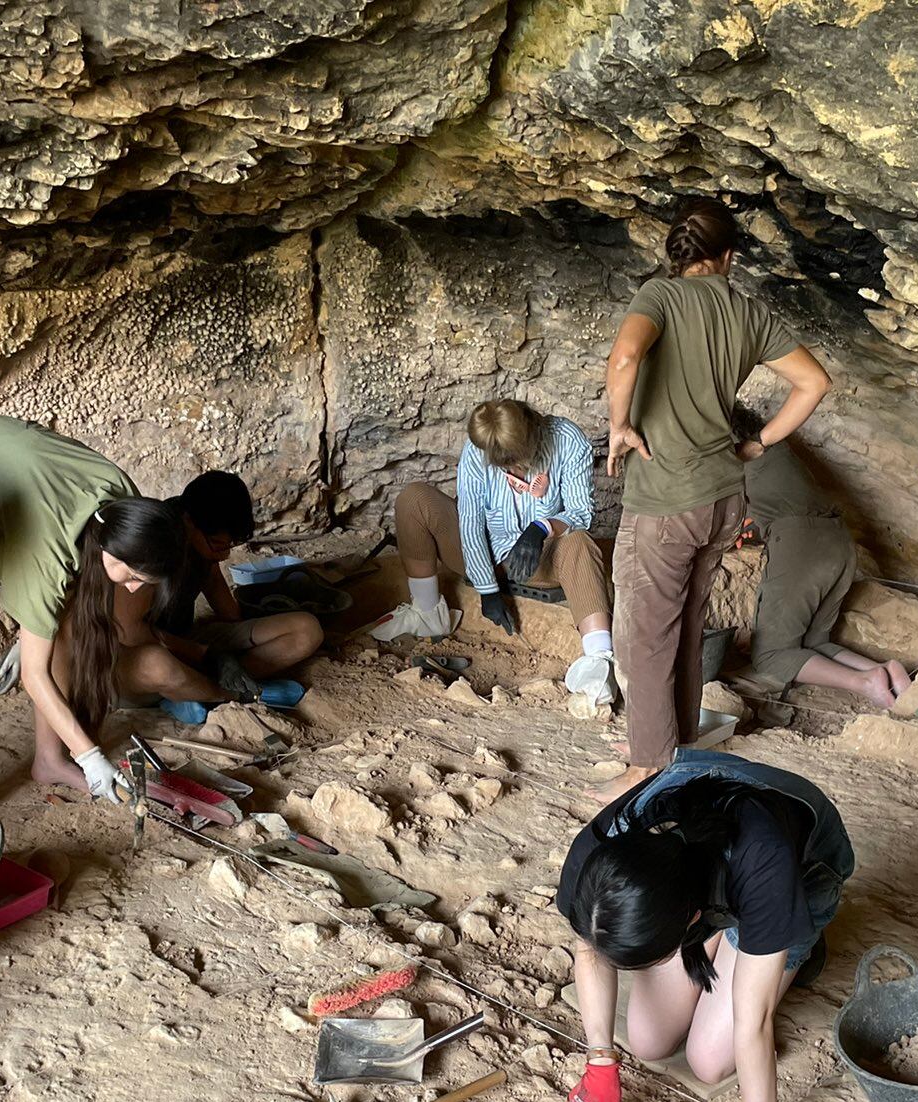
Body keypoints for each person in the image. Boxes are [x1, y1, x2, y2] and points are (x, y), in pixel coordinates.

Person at [601, 198, 833, 800]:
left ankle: (648, 768)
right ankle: (677, 745)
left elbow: (626, 355)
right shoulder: (748, 312)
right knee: (684, 626)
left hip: (664, 498)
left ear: (678, 255)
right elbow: (814, 383)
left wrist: (620, 425)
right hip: (724, 497)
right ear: (728, 257)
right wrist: (759, 444)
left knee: (647, 634)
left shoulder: (659, 296)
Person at [557, 750, 853, 1102]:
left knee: (709, 1061)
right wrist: (600, 1058)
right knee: (648, 1040)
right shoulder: (601, 852)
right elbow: (589, 946)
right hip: (701, 880)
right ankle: (740, 943)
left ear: (691, 921)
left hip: (802, 875)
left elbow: (754, 1020)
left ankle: (792, 938)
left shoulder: (764, 862)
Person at [0, 415, 191, 810]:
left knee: (58, 626)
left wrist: (32, 632)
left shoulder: (126, 504)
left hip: (4, 465)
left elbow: (69, 600)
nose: (132, 589)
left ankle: (49, 759)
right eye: (132, 576)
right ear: (112, 549)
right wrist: (91, 758)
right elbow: (34, 676)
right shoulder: (49, 556)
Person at [376, 400, 617, 703]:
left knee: (580, 542)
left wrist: (541, 528)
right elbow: (470, 522)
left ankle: (598, 661)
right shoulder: (479, 449)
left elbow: (581, 513)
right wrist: (487, 587)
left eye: (516, 464)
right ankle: (427, 614)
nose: (512, 472)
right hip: (487, 553)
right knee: (414, 499)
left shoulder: (567, 440)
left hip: (538, 559)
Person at [735, 403, 911, 710]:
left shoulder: (737, 458)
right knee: (814, 642)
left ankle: (866, 683)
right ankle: (885, 671)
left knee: (771, 655)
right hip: (838, 540)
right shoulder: (777, 450)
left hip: (801, 544)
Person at [150, 470, 320, 711]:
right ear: (188, 522)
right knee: (159, 667)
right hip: (152, 649)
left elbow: (223, 603)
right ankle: (208, 692)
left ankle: (218, 689)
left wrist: (253, 622)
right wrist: (211, 657)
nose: (225, 555)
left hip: (188, 640)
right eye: (218, 545)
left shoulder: (201, 536)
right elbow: (132, 633)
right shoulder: (150, 546)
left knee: (306, 630)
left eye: (230, 546)